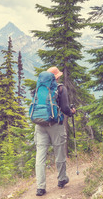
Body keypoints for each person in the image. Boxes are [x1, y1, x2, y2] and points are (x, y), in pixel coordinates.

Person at [34, 66, 76, 197]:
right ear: (55, 77)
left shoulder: (39, 88)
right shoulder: (60, 88)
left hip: (39, 125)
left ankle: (40, 187)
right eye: (58, 76)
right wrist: (71, 112)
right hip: (55, 125)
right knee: (59, 152)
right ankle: (62, 179)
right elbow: (64, 108)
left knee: (40, 157)